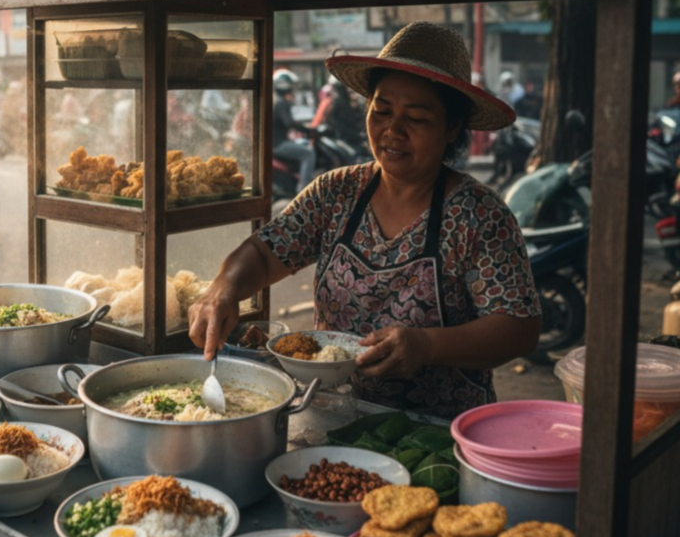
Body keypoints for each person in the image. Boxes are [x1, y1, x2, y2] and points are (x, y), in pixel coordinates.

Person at [189, 22, 541, 419]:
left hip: (436, 431)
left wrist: (428, 346)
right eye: (382, 110)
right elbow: (264, 251)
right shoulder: (335, 192)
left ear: (452, 127)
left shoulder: (480, 215)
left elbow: (518, 328)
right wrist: (223, 288)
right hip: (330, 412)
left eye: (417, 118)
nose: (393, 130)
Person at [272, 69, 316, 194]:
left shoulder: (279, 102)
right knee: (308, 153)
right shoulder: (282, 103)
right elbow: (289, 123)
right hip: (278, 145)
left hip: (278, 142)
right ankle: (304, 189)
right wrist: (307, 129)